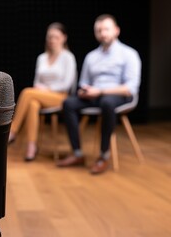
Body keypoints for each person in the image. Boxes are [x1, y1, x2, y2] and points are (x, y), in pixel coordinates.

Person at [56, 14, 141, 174]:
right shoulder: (91, 56)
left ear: (116, 31)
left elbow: (130, 88)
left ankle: (104, 155)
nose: (103, 33)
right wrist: (84, 92)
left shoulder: (129, 54)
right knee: (68, 103)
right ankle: (77, 153)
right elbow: (83, 83)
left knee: (107, 102)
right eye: (99, 30)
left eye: (106, 29)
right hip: (94, 96)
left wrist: (101, 91)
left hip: (118, 95)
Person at [8, 22, 77, 161]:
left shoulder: (68, 57)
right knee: (33, 103)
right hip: (40, 96)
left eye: (56, 37)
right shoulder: (42, 58)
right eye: (50, 37)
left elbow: (67, 84)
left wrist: (47, 89)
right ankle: (31, 147)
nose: (52, 40)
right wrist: (41, 90)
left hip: (61, 96)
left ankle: (12, 131)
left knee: (28, 92)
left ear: (64, 38)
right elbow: (36, 82)